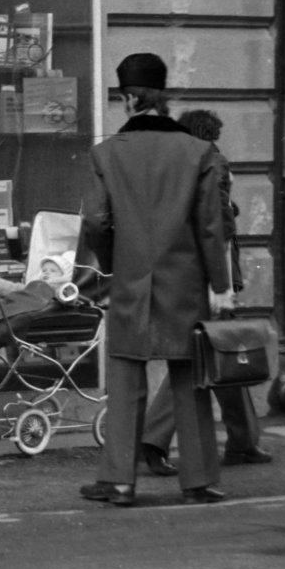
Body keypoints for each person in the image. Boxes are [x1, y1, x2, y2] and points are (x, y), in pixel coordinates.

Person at [80, 53, 232, 508]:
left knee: (126, 376)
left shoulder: (106, 153)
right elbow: (211, 227)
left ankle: (119, 481)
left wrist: (114, 263)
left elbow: (95, 221)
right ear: (163, 97)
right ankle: (199, 481)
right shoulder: (199, 152)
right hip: (186, 281)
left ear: (128, 99)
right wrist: (220, 285)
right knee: (190, 379)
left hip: (131, 279)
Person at [140, 109, 270, 478]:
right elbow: (220, 227)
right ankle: (154, 439)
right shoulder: (212, 161)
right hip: (211, 275)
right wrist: (223, 286)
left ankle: (243, 440)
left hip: (182, 272)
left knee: (224, 351)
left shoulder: (173, 165)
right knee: (205, 353)